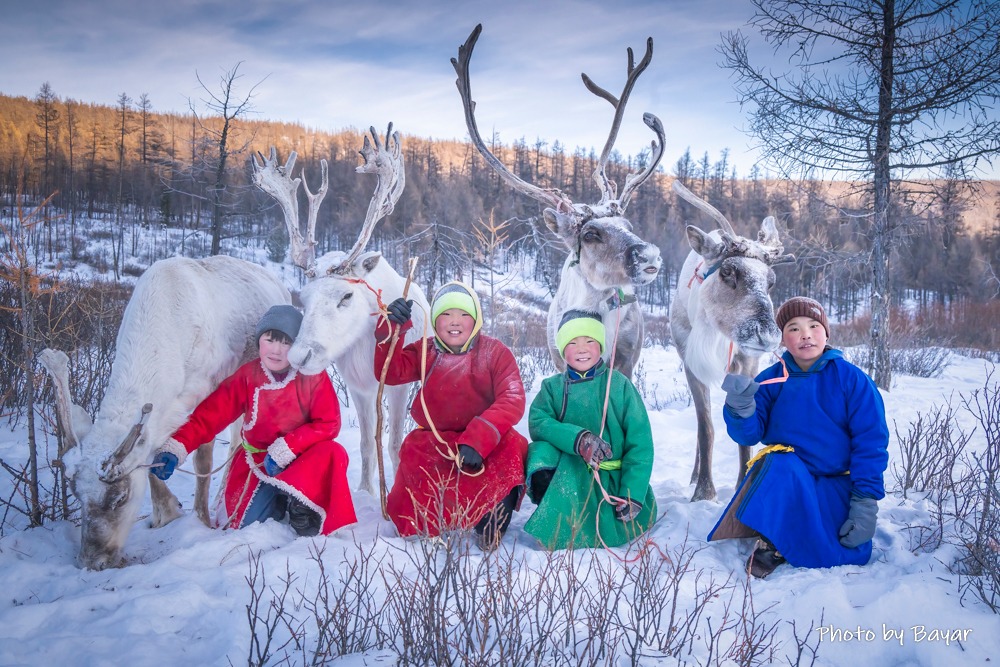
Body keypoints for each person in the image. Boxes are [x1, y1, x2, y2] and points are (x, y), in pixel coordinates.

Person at [708, 296, 889, 578]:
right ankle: (772, 540)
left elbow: (871, 444)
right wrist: (739, 407)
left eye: (814, 325)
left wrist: (865, 502)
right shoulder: (769, 380)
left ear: (826, 332)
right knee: (777, 462)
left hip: (837, 482)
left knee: (844, 551)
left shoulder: (852, 380)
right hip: (789, 482)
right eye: (793, 327)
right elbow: (749, 433)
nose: (805, 334)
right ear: (782, 338)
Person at [150, 304, 357, 537]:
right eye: (270, 339)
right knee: (246, 527)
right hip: (258, 463)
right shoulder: (247, 376)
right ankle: (276, 498)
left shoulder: (311, 375)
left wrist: (289, 447)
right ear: (259, 340)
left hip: (302, 461)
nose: (276, 350)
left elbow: (329, 423)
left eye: (286, 342)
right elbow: (208, 417)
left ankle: (301, 503)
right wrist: (177, 446)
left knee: (333, 452)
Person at [378, 282, 527, 549]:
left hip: (484, 443)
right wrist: (392, 330)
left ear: (476, 319)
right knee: (413, 453)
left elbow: (512, 397)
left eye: (464, 315)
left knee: (513, 448)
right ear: (435, 320)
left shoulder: (495, 353)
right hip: (436, 441)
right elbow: (390, 371)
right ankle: (423, 523)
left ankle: (491, 516)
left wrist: (478, 439)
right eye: (446, 314)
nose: (454, 322)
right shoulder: (426, 351)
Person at [522, 310, 657, 549]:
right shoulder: (552, 388)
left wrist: (632, 492)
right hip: (572, 474)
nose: (581, 349)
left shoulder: (619, 386)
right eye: (572, 342)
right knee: (539, 451)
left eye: (589, 341)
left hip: (613, 482)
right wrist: (578, 439)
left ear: (601, 346)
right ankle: (553, 509)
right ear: (563, 350)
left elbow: (641, 444)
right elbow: (538, 422)